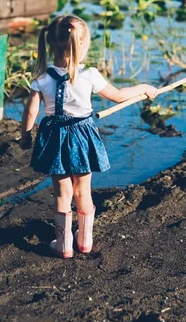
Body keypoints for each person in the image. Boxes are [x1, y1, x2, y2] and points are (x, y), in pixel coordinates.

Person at [20, 14, 158, 259]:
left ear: (51, 43)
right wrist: (144, 88)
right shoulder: (90, 74)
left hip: (54, 136)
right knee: (83, 190)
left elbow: (31, 111)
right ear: (81, 45)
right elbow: (118, 95)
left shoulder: (41, 78)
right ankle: (84, 241)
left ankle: (63, 245)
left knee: (62, 193)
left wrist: (26, 136)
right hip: (82, 135)